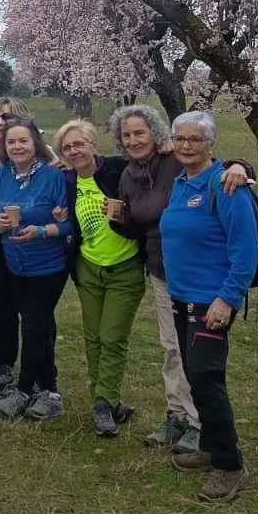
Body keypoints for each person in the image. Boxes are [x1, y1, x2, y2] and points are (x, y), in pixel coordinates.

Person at [111, 104, 251, 452]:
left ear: (156, 135)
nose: (133, 140)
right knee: (172, 348)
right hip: (165, 273)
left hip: (205, 282)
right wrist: (120, 219)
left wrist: (241, 167)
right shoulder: (129, 175)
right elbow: (140, 224)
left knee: (196, 358)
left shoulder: (176, 161)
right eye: (126, 135)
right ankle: (178, 415)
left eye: (140, 132)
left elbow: (218, 165)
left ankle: (200, 424)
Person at [160, 111, 258, 503]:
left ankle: (229, 464)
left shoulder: (228, 186)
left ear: (211, 144)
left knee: (206, 378)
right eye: (180, 139)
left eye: (195, 140)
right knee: (192, 373)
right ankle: (211, 444)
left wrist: (227, 298)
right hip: (181, 298)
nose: (186, 146)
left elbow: (245, 250)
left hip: (212, 301)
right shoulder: (182, 183)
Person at [55, 118, 144, 438]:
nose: (74, 151)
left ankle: (104, 401)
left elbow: (161, 167)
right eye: (67, 147)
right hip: (88, 268)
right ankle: (106, 401)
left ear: (93, 144)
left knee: (112, 336)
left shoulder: (120, 170)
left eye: (79, 144)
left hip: (125, 266)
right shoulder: (66, 181)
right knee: (93, 337)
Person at [0, 118, 73, 420]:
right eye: (11, 142)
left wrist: (40, 231)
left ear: (35, 143)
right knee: (41, 327)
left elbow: (67, 223)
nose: (17, 147)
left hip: (48, 265)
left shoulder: (54, 176)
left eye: (23, 140)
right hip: (15, 263)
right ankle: (50, 391)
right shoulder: (1, 175)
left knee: (34, 326)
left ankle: (23, 391)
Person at [0, 97, 34, 391]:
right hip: (4, 242)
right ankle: (3, 362)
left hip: (37, 245)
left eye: (8, 117)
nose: (2, 123)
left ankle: (38, 368)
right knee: (5, 305)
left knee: (36, 311)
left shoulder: (43, 155)